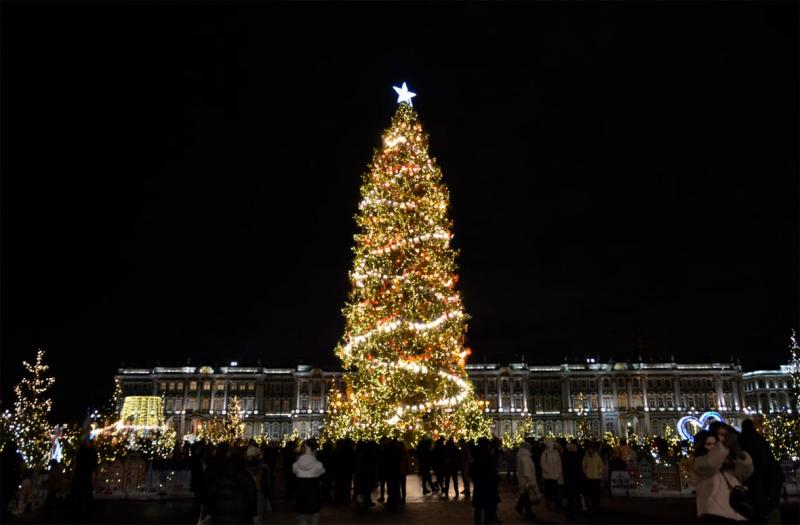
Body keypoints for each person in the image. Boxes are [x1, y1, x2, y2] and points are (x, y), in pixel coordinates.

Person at [691, 429, 753, 523]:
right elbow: (711, 462)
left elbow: (745, 473)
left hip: (737, 514)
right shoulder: (700, 462)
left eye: (715, 444)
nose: (712, 447)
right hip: (714, 515)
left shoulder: (728, 462)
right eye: (708, 444)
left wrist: (741, 455)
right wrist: (723, 445)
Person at [739, 419, 783, 524]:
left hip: (750, 482)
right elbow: (769, 462)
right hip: (764, 482)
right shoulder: (760, 439)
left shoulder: (741, 441)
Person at [206, 446, 258, 524]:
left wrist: (211, 512)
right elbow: (252, 499)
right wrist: (251, 515)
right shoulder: (247, 476)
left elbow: (212, 495)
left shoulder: (220, 475)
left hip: (221, 518)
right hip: (242, 518)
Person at [292, 439, 326, 525]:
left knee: (302, 521)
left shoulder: (296, 465)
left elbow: (294, 473)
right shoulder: (318, 465)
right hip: (314, 499)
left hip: (301, 499)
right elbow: (322, 476)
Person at [470, 437, 500, 524]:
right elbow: (492, 469)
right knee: (487, 503)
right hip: (487, 484)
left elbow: (471, 471)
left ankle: (478, 520)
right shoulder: (487, 455)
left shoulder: (477, 455)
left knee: (479, 505)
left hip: (479, 484)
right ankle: (487, 520)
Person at [71, 435, 99, 519]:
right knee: (86, 501)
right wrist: (93, 481)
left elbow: (75, 465)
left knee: (78, 500)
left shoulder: (80, 451)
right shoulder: (93, 452)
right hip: (87, 479)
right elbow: (93, 469)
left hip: (78, 477)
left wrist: (72, 476)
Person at [515, 440, 540, 521]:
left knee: (525, 497)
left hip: (524, 480)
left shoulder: (523, 456)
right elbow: (527, 470)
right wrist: (529, 481)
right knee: (527, 497)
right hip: (526, 481)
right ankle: (527, 512)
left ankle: (523, 510)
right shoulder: (525, 457)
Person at [562, 441, 583, 521]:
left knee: (570, 499)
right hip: (574, 480)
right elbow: (577, 470)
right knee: (573, 499)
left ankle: (569, 514)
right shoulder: (575, 457)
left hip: (568, 480)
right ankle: (572, 514)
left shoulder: (565, 456)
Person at [540, 438, 562, 511]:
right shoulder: (545, 453)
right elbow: (543, 464)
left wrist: (558, 471)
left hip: (555, 475)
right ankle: (549, 503)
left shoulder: (556, 453)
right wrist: (548, 471)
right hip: (548, 475)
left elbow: (559, 463)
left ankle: (554, 503)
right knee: (548, 489)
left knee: (554, 489)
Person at [582, 443, 603, 511]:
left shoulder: (597, 457)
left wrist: (598, 472)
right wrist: (586, 472)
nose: (590, 450)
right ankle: (590, 504)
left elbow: (601, 466)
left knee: (596, 493)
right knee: (589, 492)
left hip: (596, 478)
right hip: (589, 478)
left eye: (591, 449)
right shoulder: (586, 457)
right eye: (589, 449)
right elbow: (583, 466)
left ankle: (596, 504)